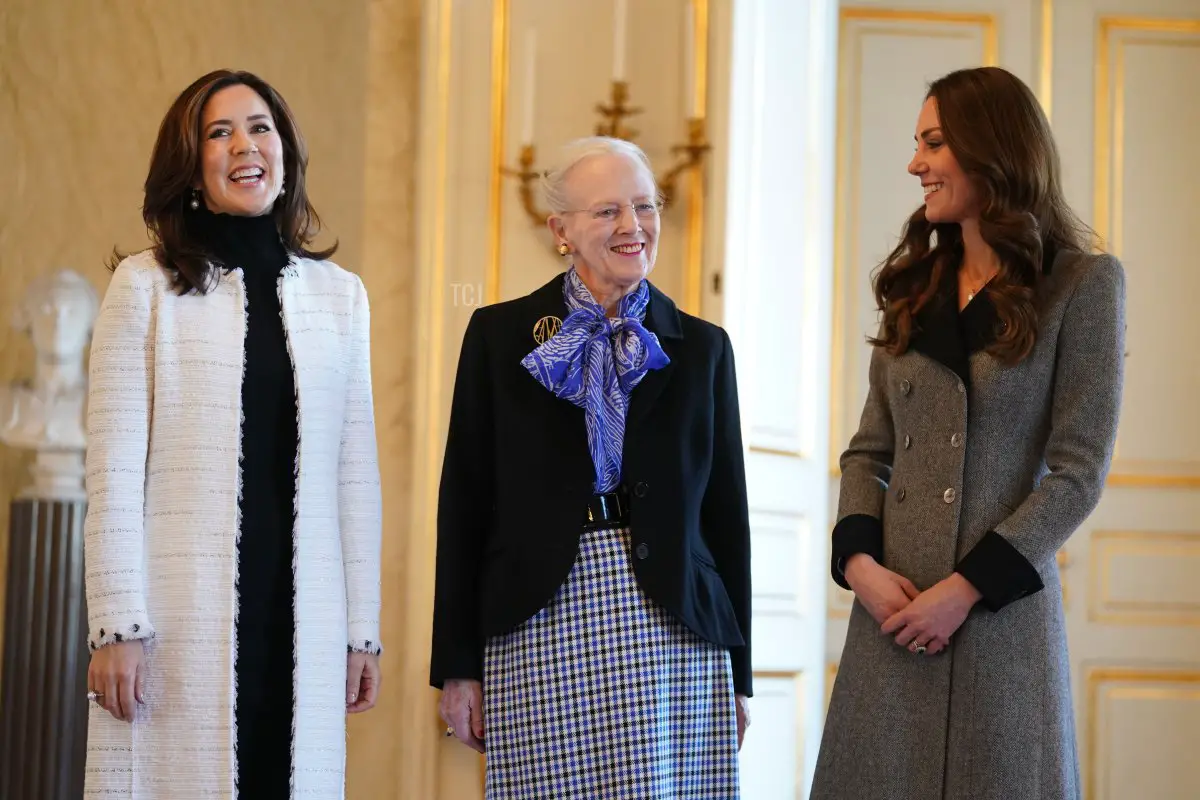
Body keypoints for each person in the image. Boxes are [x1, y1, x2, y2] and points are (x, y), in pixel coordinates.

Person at [812, 66, 1125, 800]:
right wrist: (859, 565)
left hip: (999, 621)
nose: (915, 163)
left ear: (992, 148)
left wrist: (964, 591)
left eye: (934, 143)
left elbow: (1079, 471)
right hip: (892, 619)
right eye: (917, 144)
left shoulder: (1080, 285)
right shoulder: (913, 288)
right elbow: (869, 452)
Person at [83, 69, 383, 798]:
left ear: (285, 154)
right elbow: (113, 469)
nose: (244, 145)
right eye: (219, 133)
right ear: (190, 167)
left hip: (301, 608)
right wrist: (116, 624)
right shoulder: (144, 287)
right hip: (179, 614)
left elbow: (355, 472)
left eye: (260, 128)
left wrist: (359, 628)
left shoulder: (340, 299)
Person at [430, 136, 752, 798]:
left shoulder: (704, 350)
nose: (633, 226)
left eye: (645, 205)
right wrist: (457, 666)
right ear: (561, 231)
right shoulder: (497, 337)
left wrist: (740, 674)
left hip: (674, 628)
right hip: (538, 616)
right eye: (608, 212)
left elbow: (727, 518)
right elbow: (463, 504)